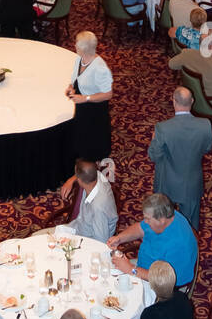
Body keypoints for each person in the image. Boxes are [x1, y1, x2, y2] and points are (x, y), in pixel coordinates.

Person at [147, 87, 212, 230]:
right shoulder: (206, 125)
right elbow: (207, 148)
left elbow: (153, 156)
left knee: (162, 222)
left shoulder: (163, 128)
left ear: (173, 101)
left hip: (167, 182)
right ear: (192, 101)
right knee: (190, 226)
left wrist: (153, 141)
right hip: (192, 182)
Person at [109, 192, 198, 290]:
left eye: (147, 219)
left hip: (164, 286)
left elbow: (164, 279)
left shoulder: (178, 244)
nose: (145, 222)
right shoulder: (167, 215)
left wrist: (131, 270)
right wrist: (119, 238)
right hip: (143, 267)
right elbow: (140, 228)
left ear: (161, 220)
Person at [66, 30, 113, 160]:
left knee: (92, 134)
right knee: (81, 129)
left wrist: (85, 98)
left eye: (77, 44)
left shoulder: (100, 68)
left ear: (84, 48)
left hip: (94, 108)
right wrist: (71, 87)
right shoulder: (79, 59)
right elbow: (76, 77)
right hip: (82, 105)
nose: (74, 45)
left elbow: (108, 94)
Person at [59, 157, 118, 241]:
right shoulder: (98, 176)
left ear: (79, 180)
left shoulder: (98, 207)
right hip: (77, 226)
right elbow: (88, 170)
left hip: (86, 239)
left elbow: (101, 240)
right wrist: (71, 180)